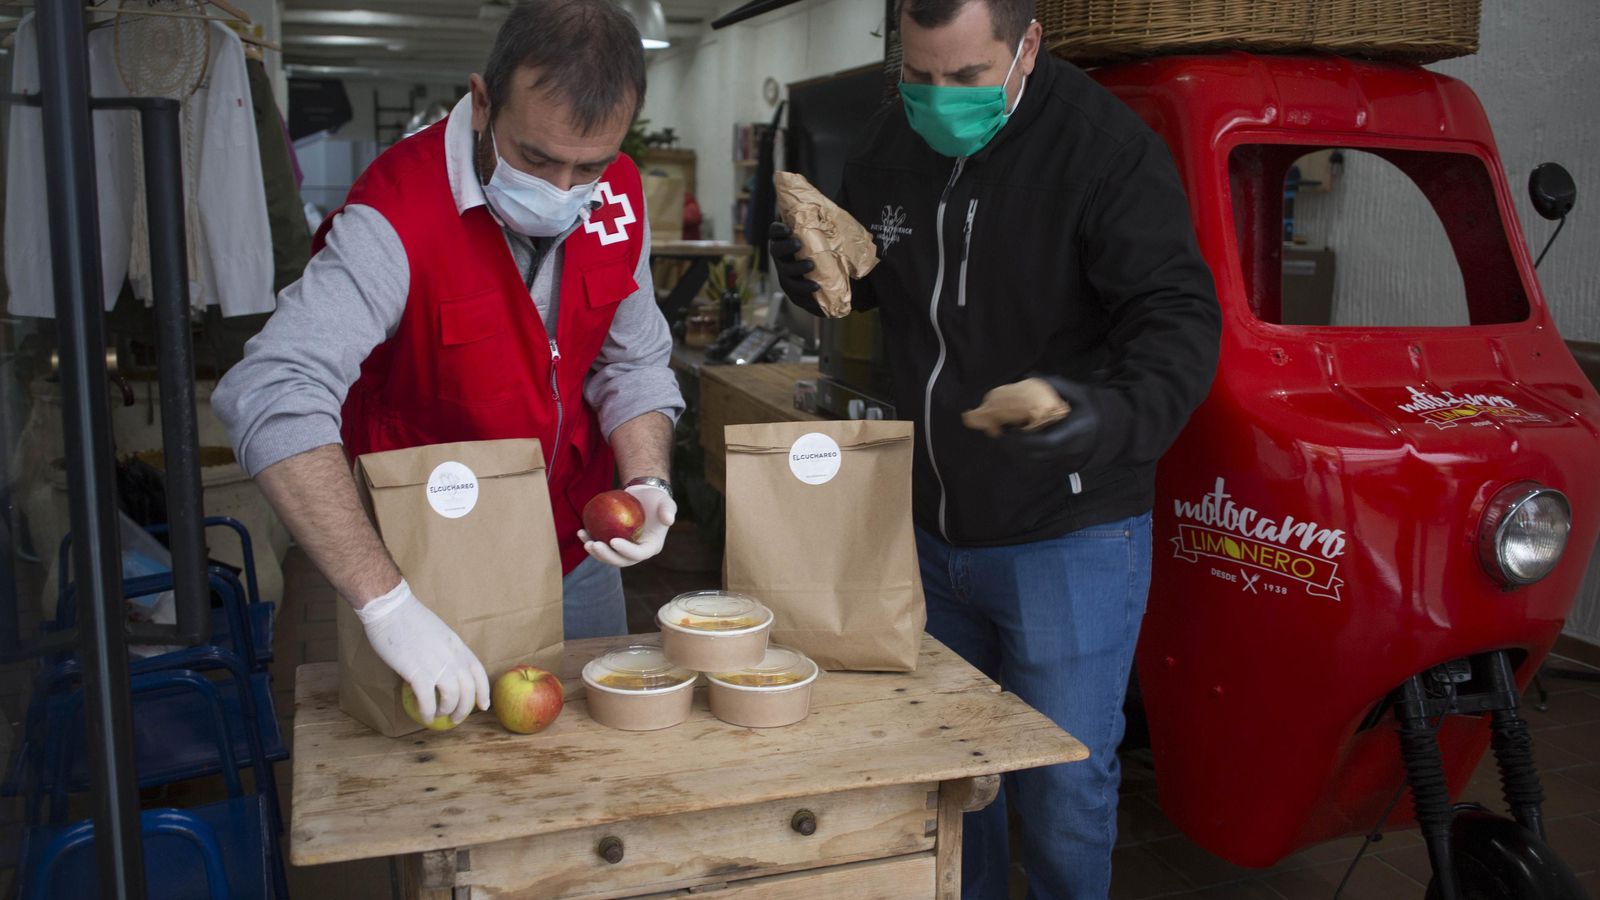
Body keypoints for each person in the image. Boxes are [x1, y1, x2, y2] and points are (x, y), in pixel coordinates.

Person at [769, 0, 1221, 896]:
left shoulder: (1105, 151)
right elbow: (872, 276)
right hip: (932, 529)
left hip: (1070, 532)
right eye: (919, 76)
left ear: (1027, 48)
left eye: (969, 77)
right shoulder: (886, 139)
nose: (939, 100)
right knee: (953, 780)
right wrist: (813, 270)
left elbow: (1178, 319)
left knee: (1060, 785)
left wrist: (1108, 416)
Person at [214, 0, 682, 727]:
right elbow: (272, 389)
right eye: (534, 157)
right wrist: (388, 603)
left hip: (577, 548)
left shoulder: (617, 193)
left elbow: (634, 357)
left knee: (594, 769)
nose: (563, 192)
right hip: (430, 565)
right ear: (483, 99)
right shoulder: (396, 213)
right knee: (443, 785)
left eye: (587, 165)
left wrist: (646, 479)